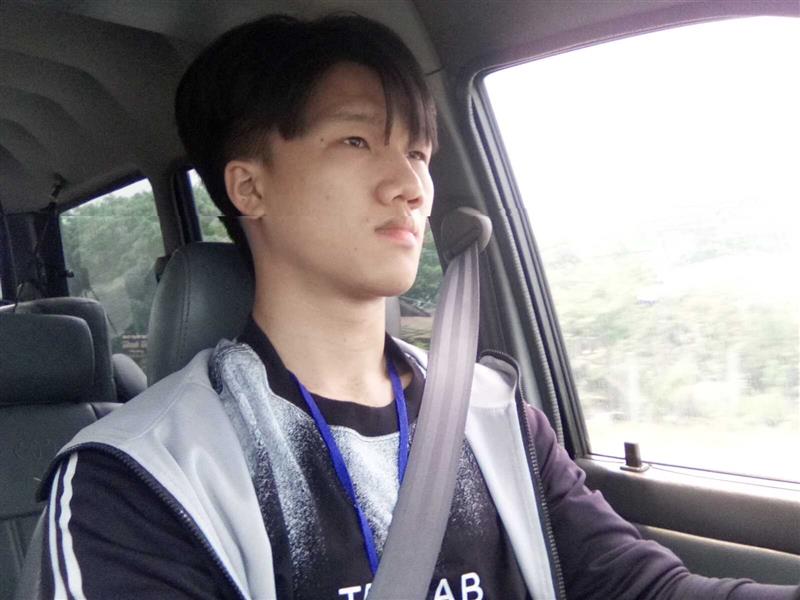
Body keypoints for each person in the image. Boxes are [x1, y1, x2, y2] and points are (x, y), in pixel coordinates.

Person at [35, 14, 798, 600]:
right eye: (357, 142)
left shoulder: (495, 420)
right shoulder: (142, 479)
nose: (410, 185)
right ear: (249, 186)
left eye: (419, 153)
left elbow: (644, 588)